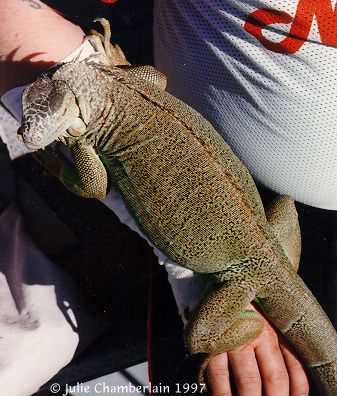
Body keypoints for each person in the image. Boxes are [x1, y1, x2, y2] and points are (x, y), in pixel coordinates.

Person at [1, 1, 335, 395]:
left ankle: (252, 312)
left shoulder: (89, 134)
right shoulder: (126, 87)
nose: (27, 135)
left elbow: (92, 185)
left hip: (257, 250)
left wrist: (64, 161)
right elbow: (151, 81)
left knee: (200, 340)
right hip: (265, 225)